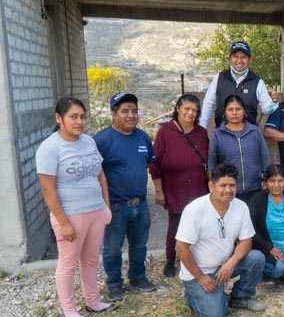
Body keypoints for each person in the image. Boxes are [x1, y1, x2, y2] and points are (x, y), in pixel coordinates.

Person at [36, 97, 114, 317]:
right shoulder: (50, 148)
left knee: (90, 259)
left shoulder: (88, 141)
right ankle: (69, 310)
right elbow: (47, 189)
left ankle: (93, 301)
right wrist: (64, 222)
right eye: (73, 116)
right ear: (59, 118)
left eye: (82, 116)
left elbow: (100, 175)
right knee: (68, 263)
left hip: (95, 211)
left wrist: (105, 206)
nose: (79, 121)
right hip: (71, 215)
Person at [175, 164, 267, 317]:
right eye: (223, 185)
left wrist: (232, 262)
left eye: (232, 185)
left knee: (256, 258)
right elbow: (181, 248)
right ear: (211, 186)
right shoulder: (195, 209)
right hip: (199, 272)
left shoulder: (241, 206)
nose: (228, 190)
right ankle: (192, 296)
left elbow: (246, 240)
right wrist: (201, 277)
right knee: (214, 316)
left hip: (224, 267)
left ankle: (240, 297)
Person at [94, 92, 157, 302]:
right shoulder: (102, 140)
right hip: (115, 206)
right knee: (112, 249)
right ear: (113, 114)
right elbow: (94, 173)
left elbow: (147, 164)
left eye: (134, 111)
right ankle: (114, 284)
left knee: (139, 245)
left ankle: (137, 277)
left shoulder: (143, 137)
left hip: (140, 204)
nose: (131, 115)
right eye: (125, 111)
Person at [150, 94, 209, 277]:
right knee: (176, 224)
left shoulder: (201, 133)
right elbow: (155, 164)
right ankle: (170, 261)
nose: (190, 113)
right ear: (177, 109)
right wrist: (159, 191)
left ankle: (197, 259)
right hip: (175, 188)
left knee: (200, 224)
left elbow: (209, 160)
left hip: (199, 187)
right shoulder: (165, 132)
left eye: (194, 110)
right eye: (187, 109)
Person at [199, 41, 278, 129]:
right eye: (235, 56)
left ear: (250, 59)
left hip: (248, 136)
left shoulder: (257, 82)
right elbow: (208, 104)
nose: (239, 60)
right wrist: (202, 128)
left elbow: (266, 109)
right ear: (230, 58)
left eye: (243, 57)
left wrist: (274, 102)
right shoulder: (219, 78)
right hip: (222, 135)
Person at [208, 95, 271, 203]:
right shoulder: (217, 134)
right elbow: (211, 164)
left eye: (238, 109)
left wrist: (266, 182)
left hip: (254, 190)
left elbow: (265, 159)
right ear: (225, 112)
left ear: (244, 111)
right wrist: (214, 187)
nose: (234, 113)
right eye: (230, 109)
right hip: (228, 191)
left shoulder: (254, 131)